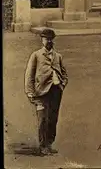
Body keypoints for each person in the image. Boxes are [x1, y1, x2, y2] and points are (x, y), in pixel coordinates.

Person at [24, 28, 68, 156]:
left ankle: (49, 144)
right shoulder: (36, 55)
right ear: (42, 40)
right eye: (45, 39)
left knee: (52, 119)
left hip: (55, 91)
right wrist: (30, 92)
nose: (48, 41)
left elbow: (64, 74)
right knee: (42, 119)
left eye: (50, 39)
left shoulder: (58, 56)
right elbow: (29, 75)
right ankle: (43, 146)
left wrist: (62, 84)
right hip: (41, 92)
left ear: (53, 40)